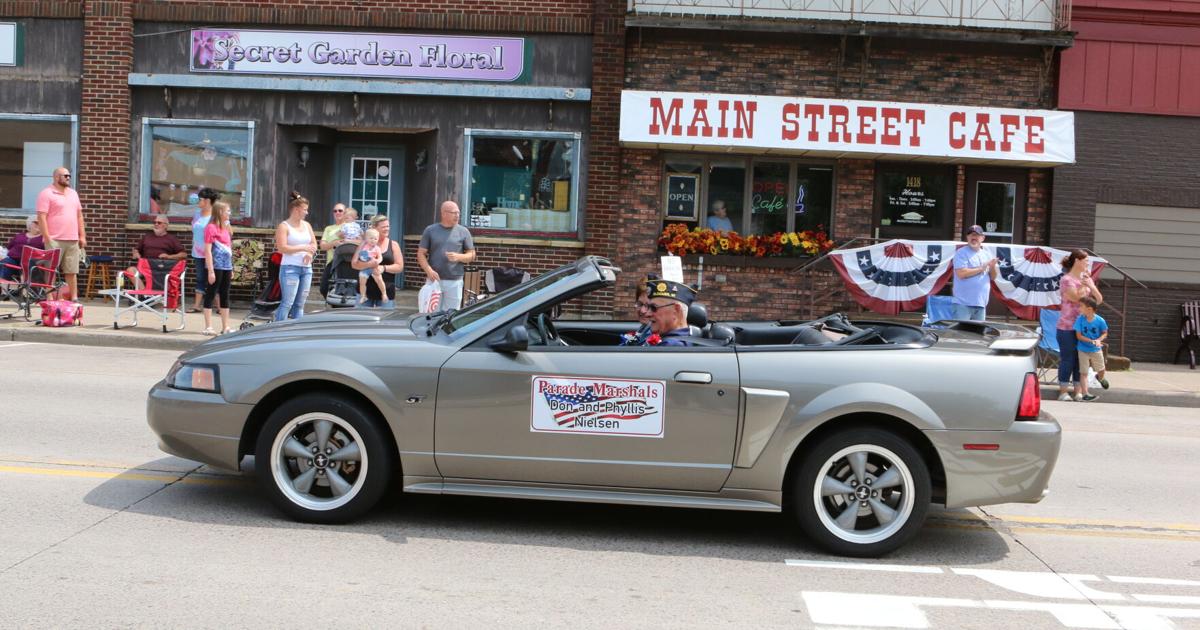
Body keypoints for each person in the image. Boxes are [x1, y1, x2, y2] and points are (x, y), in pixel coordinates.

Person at [1056, 249, 1103, 402]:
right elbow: (1076, 298)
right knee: (1068, 359)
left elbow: (1098, 301)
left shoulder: (1086, 280)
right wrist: (1084, 285)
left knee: (1080, 360)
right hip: (1067, 327)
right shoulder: (1066, 280)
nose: (1088, 264)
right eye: (1086, 261)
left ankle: (1078, 392)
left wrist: (1092, 286)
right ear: (1077, 260)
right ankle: (1063, 391)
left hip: (1084, 328)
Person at [35, 167, 87, 301]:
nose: (68, 178)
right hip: (54, 239)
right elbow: (41, 217)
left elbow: (79, 216)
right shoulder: (46, 193)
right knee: (51, 270)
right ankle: (49, 298)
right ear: (56, 177)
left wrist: (82, 236)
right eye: (65, 176)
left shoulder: (73, 193)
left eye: (69, 175)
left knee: (72, 271)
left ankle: (74, 298)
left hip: (72, 239)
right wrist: (47, 238)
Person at [417, 200, 475, 311]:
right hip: (434, 280)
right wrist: (428, 270)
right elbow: (421, 254)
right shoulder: (430, 230)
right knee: (431, 315)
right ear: (444, 213)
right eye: (454, 213)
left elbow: (472, 255)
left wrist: (458, 257)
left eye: (458, 213)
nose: (457, 215)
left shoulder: (464, 231)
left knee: (451, 316)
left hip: (455, 281)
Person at [275, 192, 317, 321]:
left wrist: (310, 253)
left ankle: (297, 332)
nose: (306, 212)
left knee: (300, 304)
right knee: (288, 303)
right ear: (296, 210)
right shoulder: (284, 226)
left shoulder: (307, 225)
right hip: (290, 268)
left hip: (306, 269)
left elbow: (314, 243)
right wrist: (303, 248)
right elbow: (282, 248)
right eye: (305, 210)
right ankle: (278, 330)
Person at [353, 214, 403, 308]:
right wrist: (368, 264)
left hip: (386, 292)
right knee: (361, 321)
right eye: (383, 227)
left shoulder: (393, 245)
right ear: (375, 228)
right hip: (366, 291)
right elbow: (354, 264)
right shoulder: (364, 244)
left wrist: (383, 268)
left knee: (385, 322)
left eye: (388, 226)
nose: (387, 229)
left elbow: (399, 266)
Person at [125, 216, 186, 289]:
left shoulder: (172, 239)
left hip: (162, 268)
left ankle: (153, 296)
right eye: (154, 222)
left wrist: (168, 256)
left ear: (166, 225)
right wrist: (136, 253)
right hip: (145, 268)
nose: (156, 224)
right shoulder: (147, 237)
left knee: (163, 276)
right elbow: (136, 250)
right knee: (130, 270)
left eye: (159, 223)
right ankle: (145, 294)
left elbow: (184, 254)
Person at [951, 224, 998, 321]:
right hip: (962, 304)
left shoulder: (987, 254)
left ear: (982, 238)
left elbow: (993, 277)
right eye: (971, 235)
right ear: (967, 237)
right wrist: (981, 268)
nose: (973, 237)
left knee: (978, 336)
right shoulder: (961, 253)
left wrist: (992, 267)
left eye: (976, 235)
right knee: (961, 335)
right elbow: (961, 273)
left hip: (981, 304)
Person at [201, 201, 234, 335]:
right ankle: (208, 326)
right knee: (211, 293)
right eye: (227, 211)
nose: (229, 213)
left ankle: (225, 326)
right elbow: (208, 250)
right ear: (220, 212)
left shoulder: (226, 228)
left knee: (225, 294)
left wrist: (231, 268)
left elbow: (229, 249)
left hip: (226, 265)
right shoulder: (210, 228)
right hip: (215, 265)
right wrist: (210, 270)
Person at [189, 187, 221, 313]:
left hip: (213, 253)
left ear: (207, 201)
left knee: (214, 278)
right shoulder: (197, 213)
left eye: (200, 199)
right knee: (200, 278)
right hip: (198, 252)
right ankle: (197, 305)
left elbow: (227, 232)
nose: (198, 201)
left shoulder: (217, 215)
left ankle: (219, 306)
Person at [641, 279, 700, 346]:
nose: (647, 314)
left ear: (676, 310)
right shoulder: (679, 340)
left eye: (654, 308)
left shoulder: (671, 345)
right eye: (648, 307)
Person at [1074, 296, 1110, 401]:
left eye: (1081, 306)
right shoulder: (1080, 319)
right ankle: (1085, 394)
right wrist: (1091, 341)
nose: (1079, 308)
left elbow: (1105, 333)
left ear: (1089, 309)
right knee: (1083, 372)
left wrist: (1099, 340)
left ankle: (1100, 377)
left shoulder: (1100, 320)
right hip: (1083, 349)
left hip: (1096, 349)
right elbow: (1079, 336)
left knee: (1101, 369)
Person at [620, 274, 657, 346]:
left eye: (649, 306)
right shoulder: (644, 328)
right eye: (640, 304)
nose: (642, 310)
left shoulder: (655, 336)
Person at [356, 228, 388, 304]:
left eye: (375, 239)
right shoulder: (363, 247)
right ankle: (363, 296)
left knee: (379, 280)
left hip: (374, 267)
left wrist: (378, 261)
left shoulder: (377, 248)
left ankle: (384, 294)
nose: (373, 240)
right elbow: (358, 256)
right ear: (366, 239)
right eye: (371, 238)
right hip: (365, 267)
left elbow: (380, 257)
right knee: (362, 282)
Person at [318, 201, 349, 266]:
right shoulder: (328, 228)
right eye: (335, 211)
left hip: (346, 263)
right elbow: (322, 246)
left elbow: (359, 242)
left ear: (345, 213)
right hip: (331, 263)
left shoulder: (350, 226)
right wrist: (334, 243)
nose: (337, 212)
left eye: (340, 210)